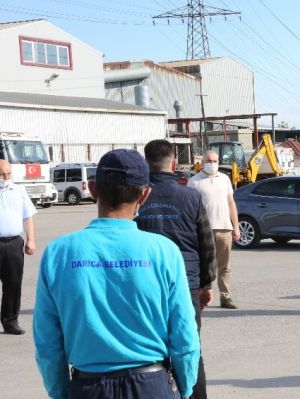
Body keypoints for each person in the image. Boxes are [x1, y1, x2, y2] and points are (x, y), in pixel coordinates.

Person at [33, 149, 200, 398]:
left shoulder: (59, 253)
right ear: (144, 195)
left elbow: (48, 343)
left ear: (92, 188)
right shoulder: (164, 251)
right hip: (151, 385)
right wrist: (184, 389)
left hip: (87, 386)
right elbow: (185, 337)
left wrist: (61, 392)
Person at [136, 140, 217, 399]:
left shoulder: (136, 196)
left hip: (145, 285)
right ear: (173, 163)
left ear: (146, 163)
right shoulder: (191, 196)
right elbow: (207, 243)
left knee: (150, 349)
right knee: (190, 348)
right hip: (187, 283)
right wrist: (207, 284)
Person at [188, 150, 241, 309]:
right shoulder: (194, 182)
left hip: (224, 228)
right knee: (203, 265)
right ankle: (201, 295)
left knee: (224, 266)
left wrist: (236, 227)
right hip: (204, 230)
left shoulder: (224, 179)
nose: (212, 163)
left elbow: (231, 204)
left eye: (215, 161)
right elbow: (191, 208)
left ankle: (225, 296)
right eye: (209, 161)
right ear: (202, 162)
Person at [0, 159, 36, 335]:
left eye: (8, 174)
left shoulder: (18, 191)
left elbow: (27, 217)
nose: (5, 177)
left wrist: (31, 240)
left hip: (14, 243)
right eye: (1, 174)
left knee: (13, 284)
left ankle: (10, 321)